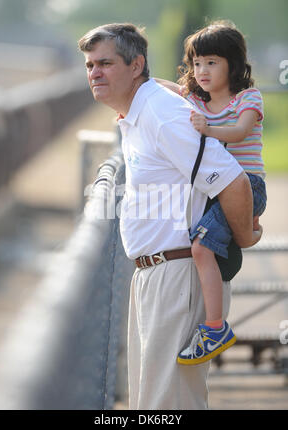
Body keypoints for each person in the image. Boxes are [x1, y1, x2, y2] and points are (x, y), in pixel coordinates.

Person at [78, 23, 262, 410]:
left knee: (170, 407)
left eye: (106, 63)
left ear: (136, 65)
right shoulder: (138, 112)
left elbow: (234, 181)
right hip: (154, 274)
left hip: (178, 275)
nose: (95, 72)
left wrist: (243, 236)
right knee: (150, 406)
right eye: (90, 65)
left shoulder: (162, 114)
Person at [156, 20, 267, 366]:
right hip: (215, 190)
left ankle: (215, 327)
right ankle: (247, 234)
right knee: (207, 249)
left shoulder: (247, 98)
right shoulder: (196, 101)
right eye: (197, 63)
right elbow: (163, 88)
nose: (201, 70)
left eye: (212, 62)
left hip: (246, 185)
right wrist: (130, 96)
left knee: (201, 247)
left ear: (233, 64)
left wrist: (209, 128)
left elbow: (239, 131)